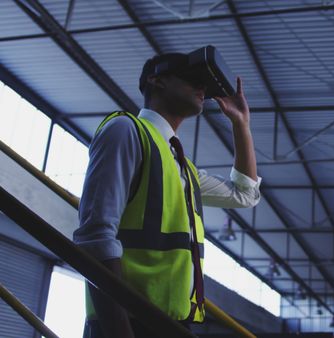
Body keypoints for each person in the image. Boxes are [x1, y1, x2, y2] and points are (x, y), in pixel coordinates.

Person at [73, 53, 261, 338]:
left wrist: (240, 124)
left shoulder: (183, 167)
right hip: (127, 322)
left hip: (172, 323)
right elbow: (96, 236)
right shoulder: (126, 131)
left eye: (204, 85)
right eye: (191, 80)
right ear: (156, 79)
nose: (202, 89)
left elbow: (245, 194)